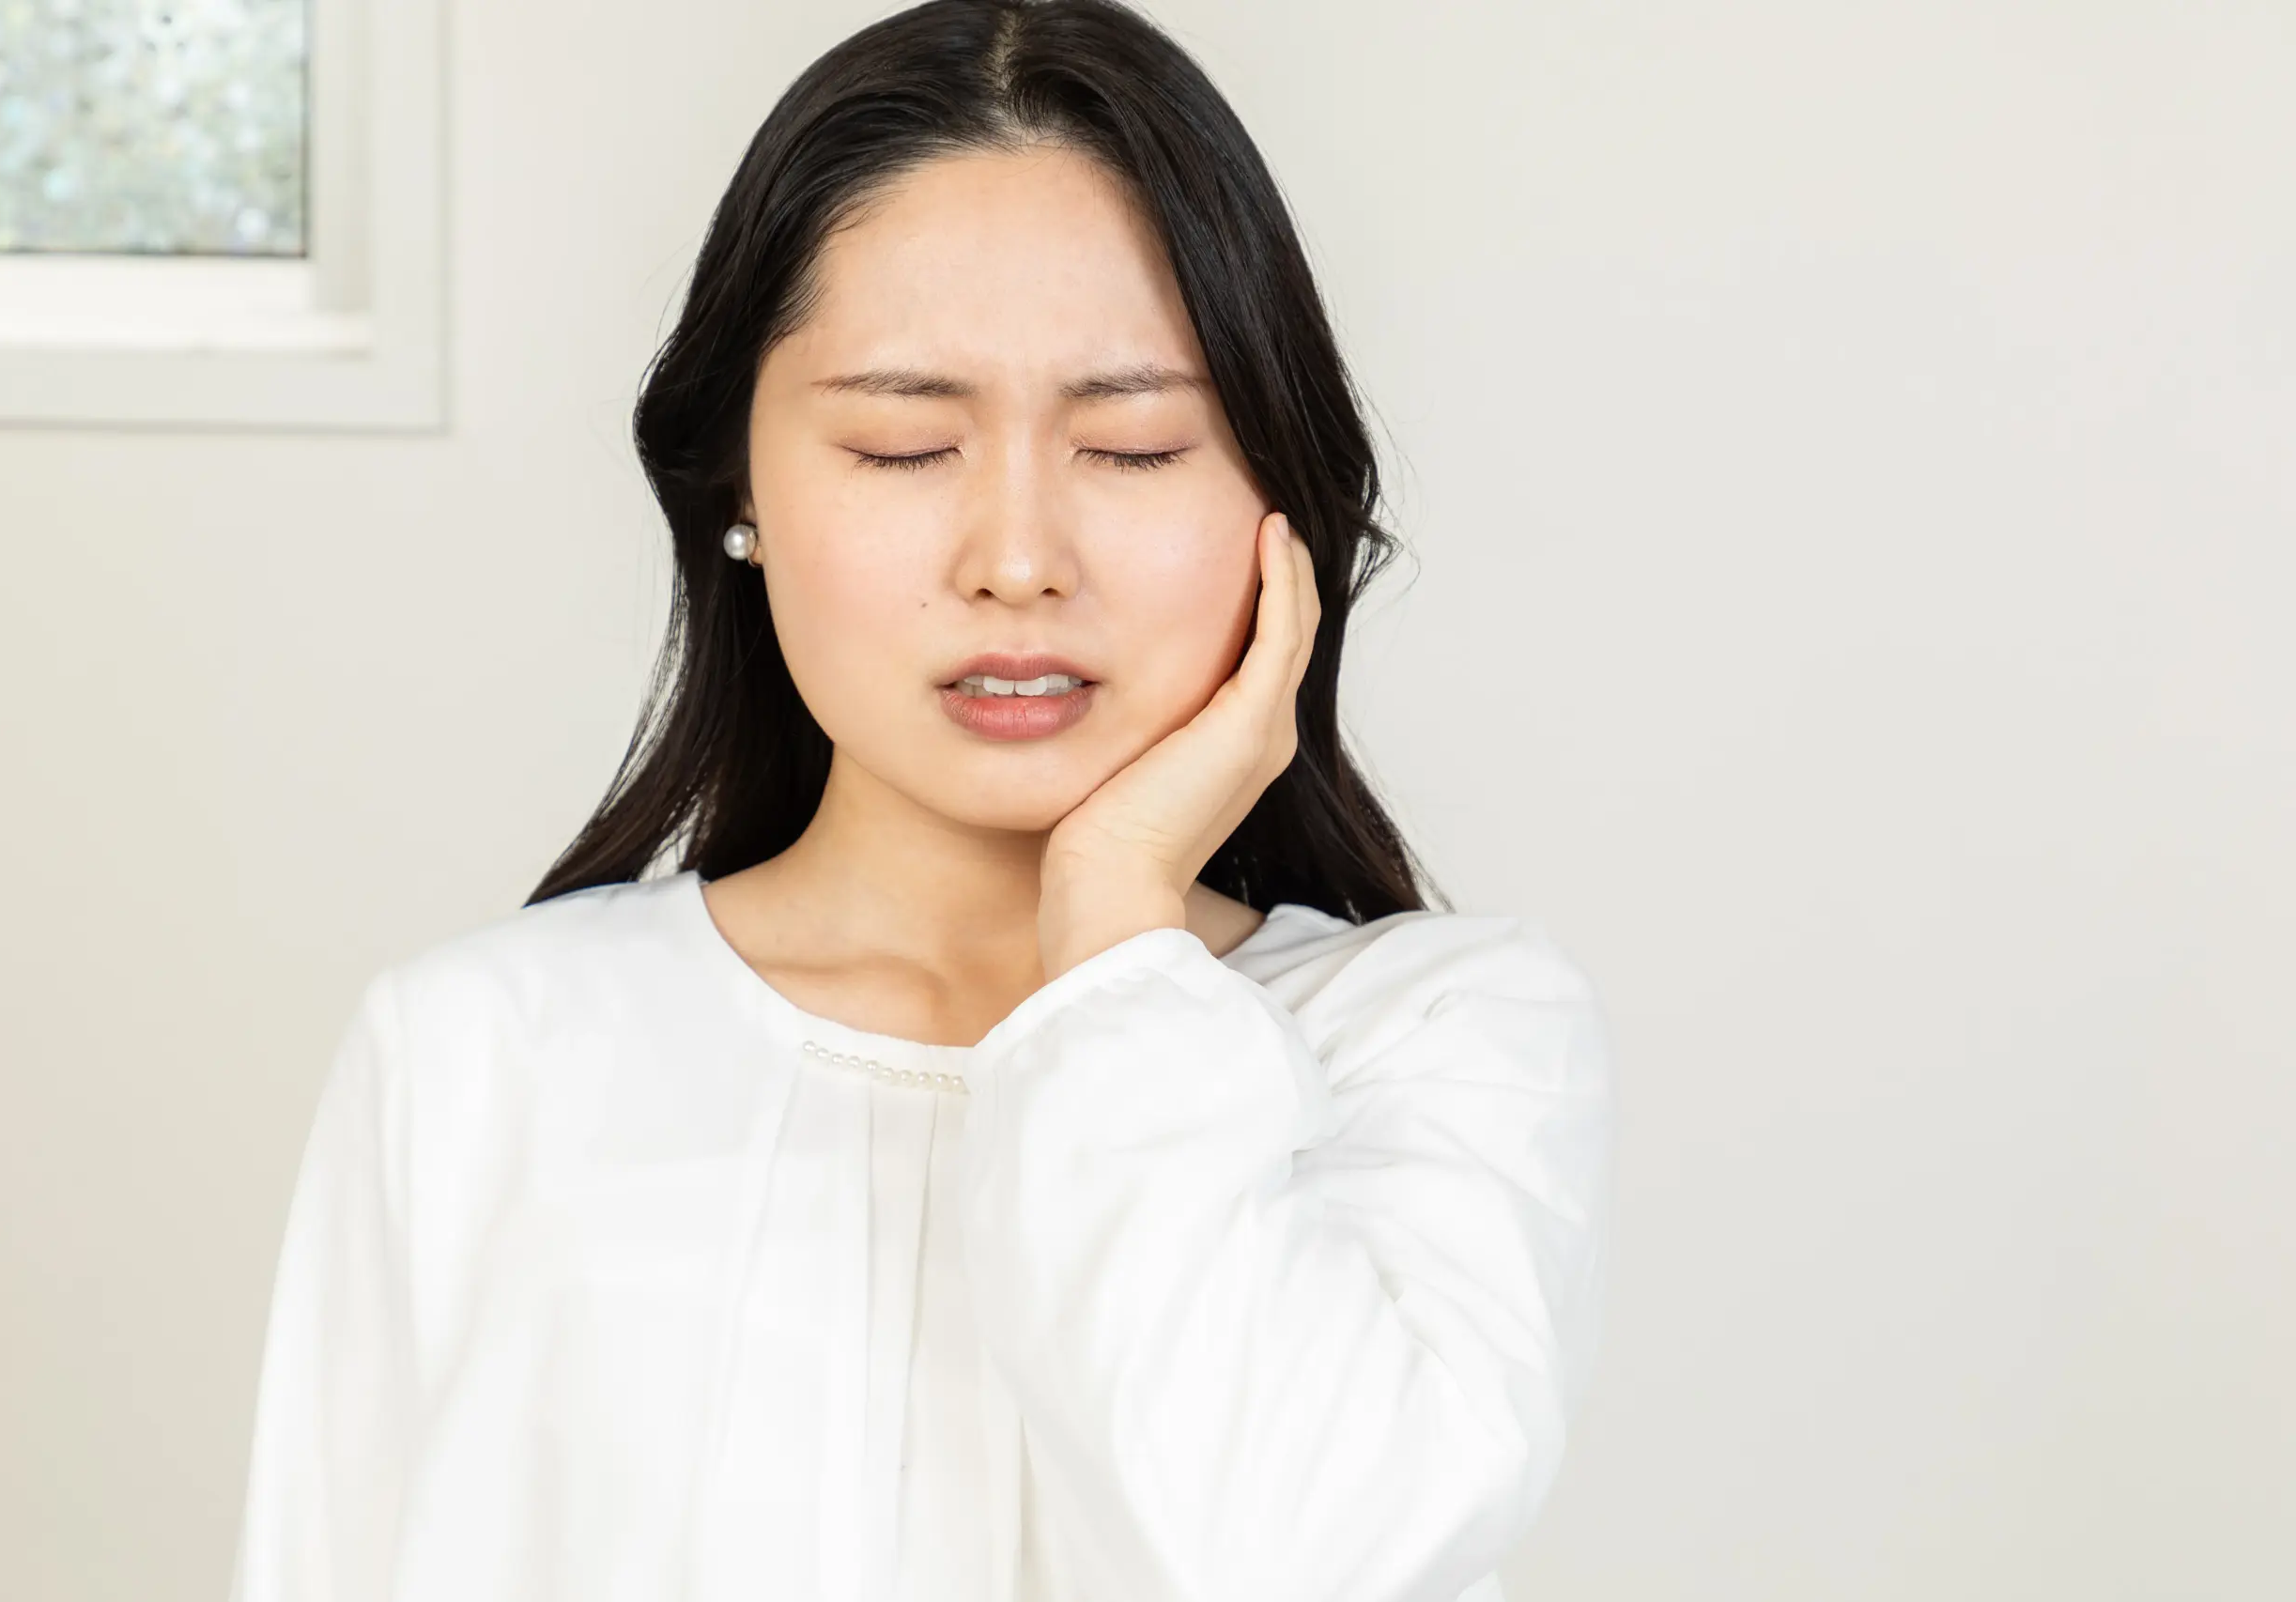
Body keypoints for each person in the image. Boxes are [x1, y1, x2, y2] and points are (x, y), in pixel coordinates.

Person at [224, 2, 1616, 1599]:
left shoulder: (1438, 1040)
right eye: (902, 446)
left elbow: (1287, 1557)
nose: (1016, 558)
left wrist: (1117, 932)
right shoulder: (480, 1053)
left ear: (1281, 502)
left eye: (1134, 445)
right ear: (740, 490)